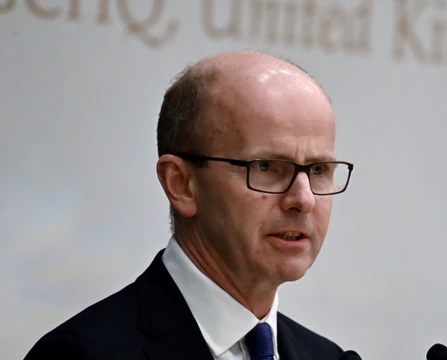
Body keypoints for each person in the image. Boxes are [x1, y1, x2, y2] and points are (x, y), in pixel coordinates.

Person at [24, 51, 355, 359]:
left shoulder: (330, 357)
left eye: (318, 170)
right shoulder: (82, 354)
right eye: (266, 167)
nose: (303, 199)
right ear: (180, 185)